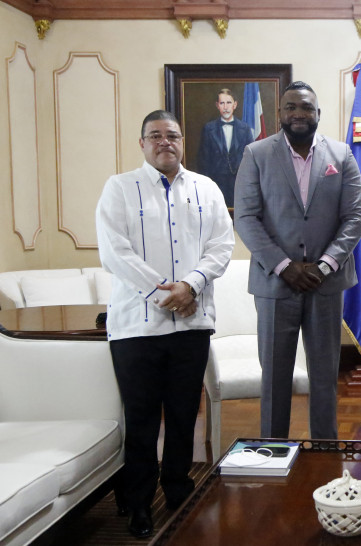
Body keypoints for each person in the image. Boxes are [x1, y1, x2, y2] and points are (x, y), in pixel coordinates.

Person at [96, 110, 234, 538]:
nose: (164, 142)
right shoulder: (119, 188)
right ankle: (139, 503)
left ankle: (178, 488)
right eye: (154, 136)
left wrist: (191, 286)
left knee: (182, 415)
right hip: (136, 328)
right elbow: (115, 252)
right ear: (142, 143)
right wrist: (167, 295)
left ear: (181, 141)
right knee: (140, 420)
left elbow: (221, 245)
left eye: (171, 135)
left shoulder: (206, 188)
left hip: (192, 326)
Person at [234, 81, 361, 440]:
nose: (298, 114)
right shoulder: (256, 154)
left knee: (325, 376)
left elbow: (356, 216)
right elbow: (245, 218)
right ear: (280, 113)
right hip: (275, 284)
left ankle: (324, 453)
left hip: (326, 283)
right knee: (274, 378)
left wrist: (324, 265)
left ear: (318, 114)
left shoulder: (341, 155)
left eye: (306, 107)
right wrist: (284, 266)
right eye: (291, 107)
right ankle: (273, 452)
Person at [197, 88, 254, 207]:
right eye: (222, 103)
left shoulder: (245, 128)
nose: (226, 107)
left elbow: (251, 159)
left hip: (239, 184)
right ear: (217, 105)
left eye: (228, 103)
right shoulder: (208, 129)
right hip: (216, 184)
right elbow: (203, 160)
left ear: (235, 105)